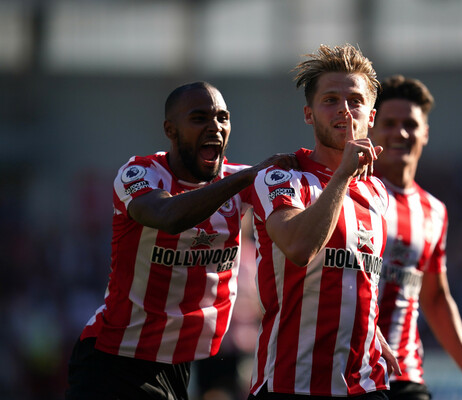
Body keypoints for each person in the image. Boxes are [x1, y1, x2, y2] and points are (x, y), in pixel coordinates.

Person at [65, 81, 297, 400]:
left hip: (178, 364)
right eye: (199, 118)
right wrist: (246, 177)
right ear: (170, 130)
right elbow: (168, 216)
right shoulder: (140, 174)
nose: (215, 127)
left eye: (222, 117)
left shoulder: (240, 182)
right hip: (115, 359)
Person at [247, 44, 400, 400]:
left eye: (355, 100)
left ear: (371, 116)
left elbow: (355, 274)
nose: (345, 111)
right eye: (330, 100)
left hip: (365, 383)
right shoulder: (282, 179)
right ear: (308, 114)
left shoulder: (378, 192)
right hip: (292, 384)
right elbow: (300, 248)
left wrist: (370, 331)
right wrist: (343, 175)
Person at [369, 75, 462, 400]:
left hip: (406, 376)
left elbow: (435, 297)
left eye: (411, 124)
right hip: (350, 374)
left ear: (426, 133)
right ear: (371, 129)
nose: (401, 133)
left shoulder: (433, 211)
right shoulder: (351, 194)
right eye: (389, 123)